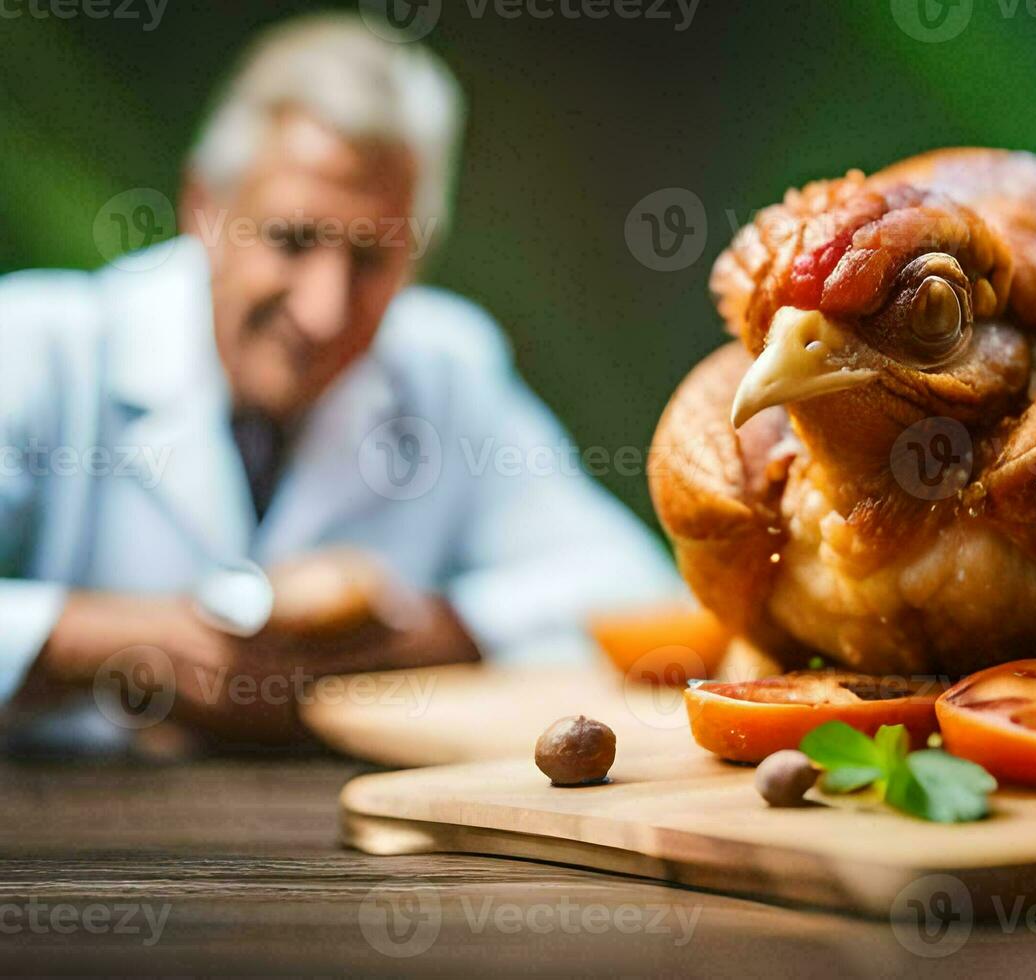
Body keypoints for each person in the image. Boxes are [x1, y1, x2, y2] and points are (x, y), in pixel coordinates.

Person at [0, 14, 680, 745]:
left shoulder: (447, 366)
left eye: (371, 259)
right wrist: (100, 643)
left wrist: (422, 636)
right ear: (203, 208)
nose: (323, 312)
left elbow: (636, 592)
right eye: (292, 241)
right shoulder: (37, 345)